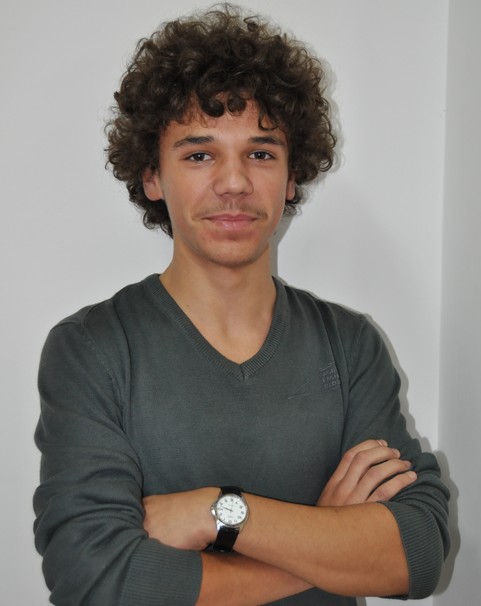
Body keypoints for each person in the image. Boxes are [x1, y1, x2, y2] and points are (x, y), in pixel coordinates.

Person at [33, 4, 450, 605]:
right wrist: (326, 541)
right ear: (152, 177)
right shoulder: (92, 349)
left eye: (260, 153)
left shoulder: (350, 345)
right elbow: (98, 581)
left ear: (291, 176)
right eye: (199, 154)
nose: (234, 182)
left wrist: (216, 512)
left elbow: (418, 552)